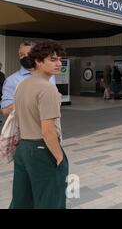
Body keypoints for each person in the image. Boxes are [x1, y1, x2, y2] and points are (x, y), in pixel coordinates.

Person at [10, 40, 68, 209]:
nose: (58, 64)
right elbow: (48, 131)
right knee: (50, 201)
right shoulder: (47, 88)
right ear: (38, 61)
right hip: (43, 150)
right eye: (53, 59)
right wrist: (59, 157)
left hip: (23, 148)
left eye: (59, 59)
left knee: (22, 200)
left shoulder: (22, 85)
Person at [1, 41, 56, 117]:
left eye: (30, 54)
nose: (26, 57)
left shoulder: (49, 75)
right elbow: (5, 110)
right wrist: (32, 101)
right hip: (24, 126)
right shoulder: (12, 80)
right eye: (22, 55)